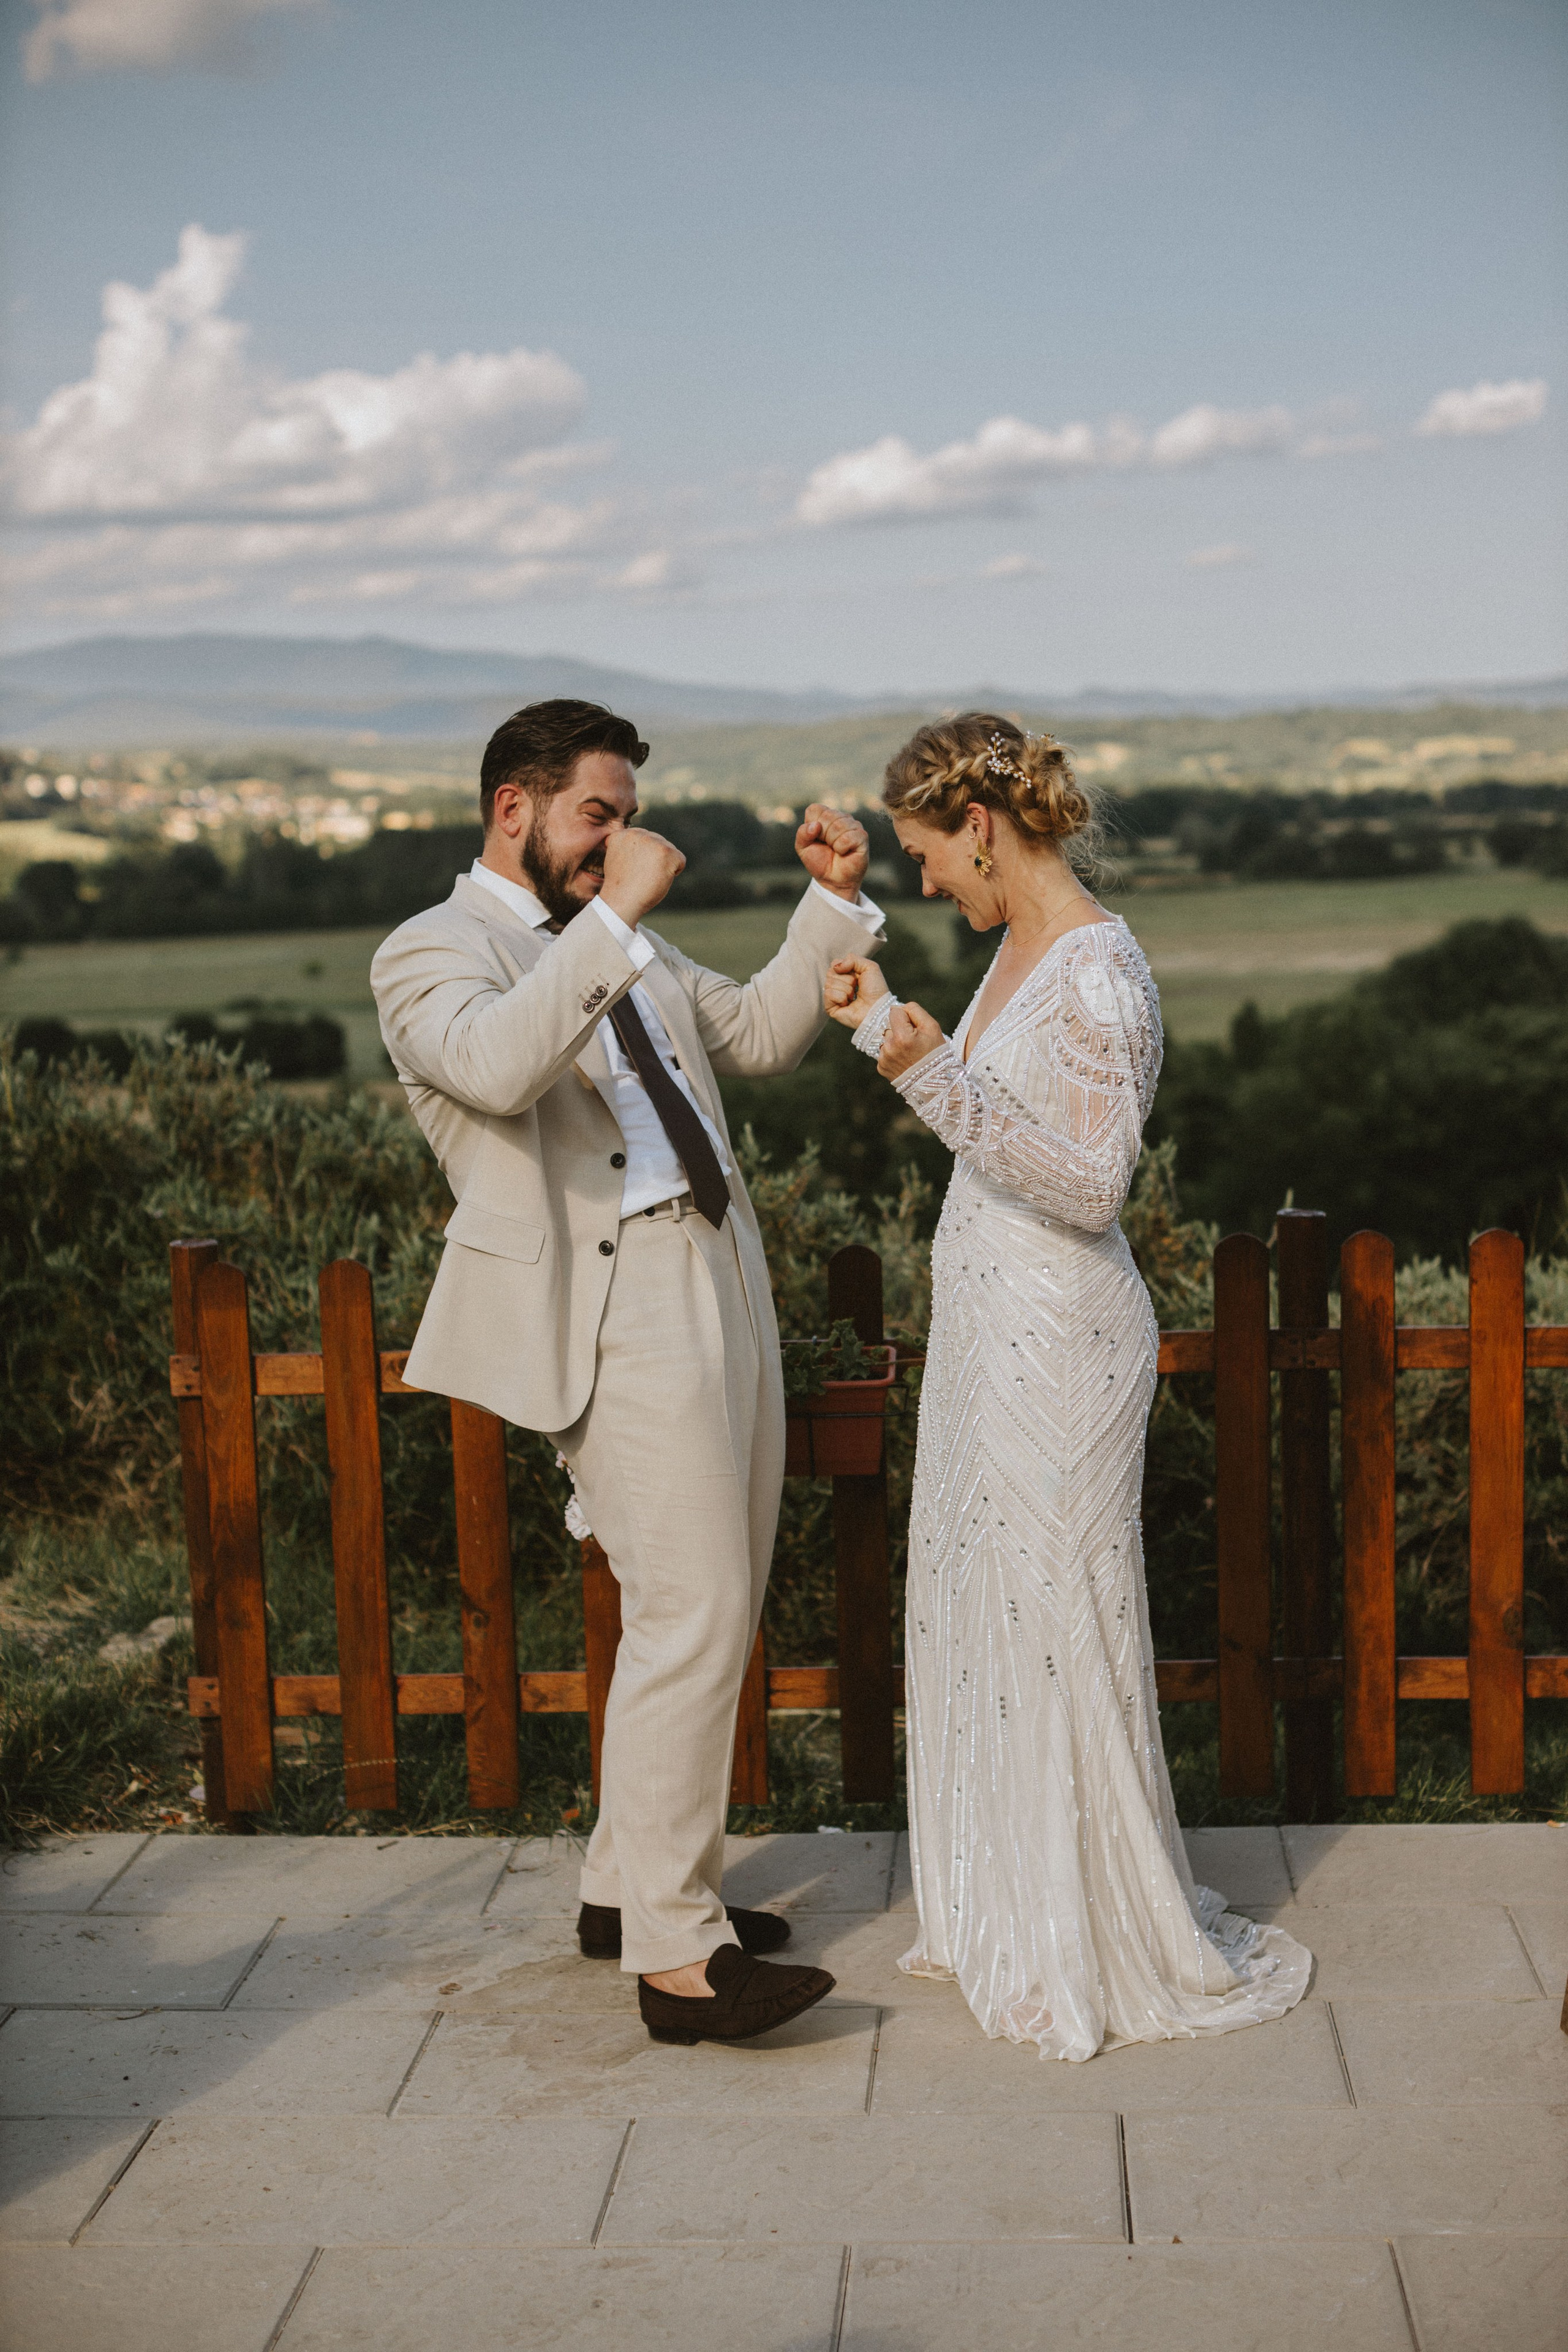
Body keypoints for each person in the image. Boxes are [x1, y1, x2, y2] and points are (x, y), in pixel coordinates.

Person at [372, 699, 887, 2046]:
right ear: (514, 810)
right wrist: (608, 925)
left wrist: (826, 908)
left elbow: (763, 1036)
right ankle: (673, 1958)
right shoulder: (427, 953)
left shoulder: (627, 940)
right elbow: (492, 1067)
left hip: (718, 1266)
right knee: (693, 1608)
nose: (618, 838)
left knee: (716, 1593)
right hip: (608, 1305)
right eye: (596, 814)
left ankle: (622, 1890)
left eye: (622, 814)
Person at [824, 712, 1311, 2060]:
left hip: (1062, 1341)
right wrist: (891, 1033)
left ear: (978, 825)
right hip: (991, 1328)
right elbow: (1001, 1131)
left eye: (927, 853)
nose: (925, 882)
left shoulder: (1098, 972)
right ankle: (1004, 1904)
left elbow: (1091, 1188)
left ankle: (1082, 1935)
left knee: (1055, 1625)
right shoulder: (1012, 953)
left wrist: (918, 1069)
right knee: (986, 1615)